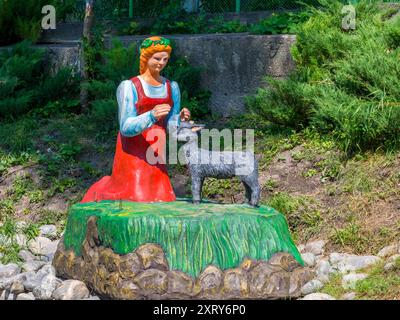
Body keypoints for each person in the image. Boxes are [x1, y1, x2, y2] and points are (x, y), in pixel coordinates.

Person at [81, 36, 191, 203]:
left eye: (165, 59)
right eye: (157, 58)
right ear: (146, 57)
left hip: (156, 152)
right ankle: (101, 190)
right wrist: (151, 115)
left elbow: (170, 127)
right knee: (137, 198)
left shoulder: (171, 87)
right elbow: (125, 126)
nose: (161, 63)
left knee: (164, 198)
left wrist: (180, 119)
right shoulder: (129, 87)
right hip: (133, 151)